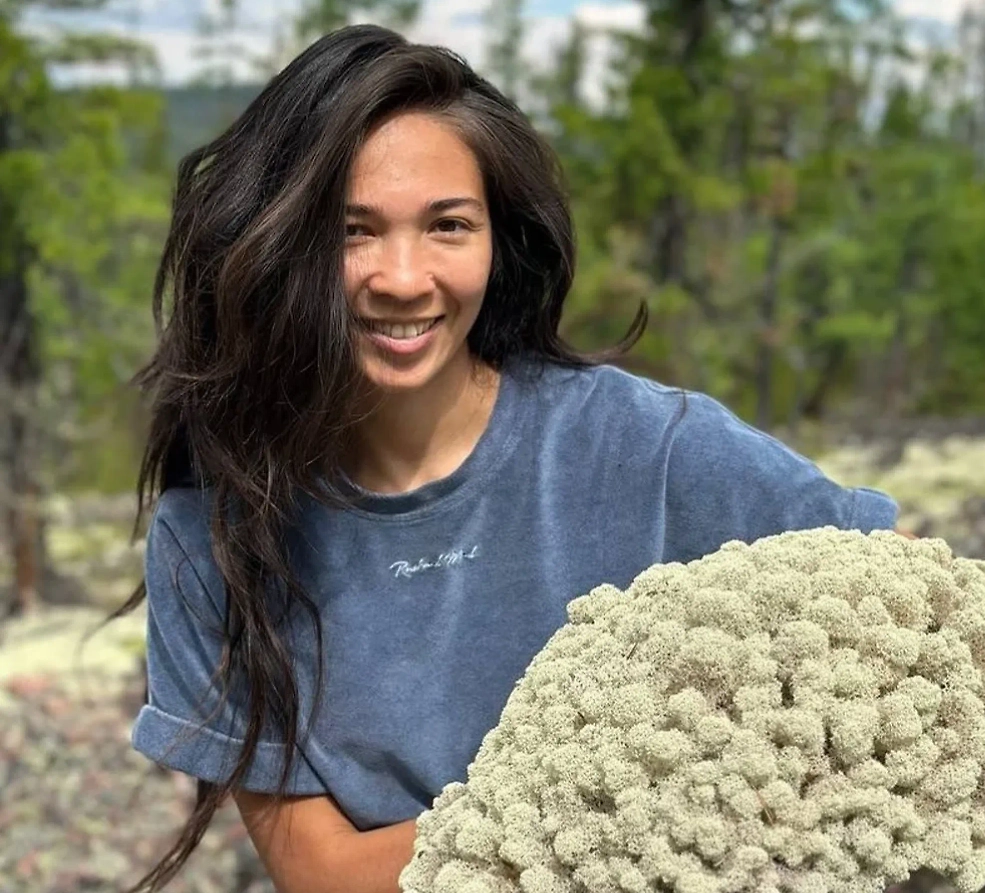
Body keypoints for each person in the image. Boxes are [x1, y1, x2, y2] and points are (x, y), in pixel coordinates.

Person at [113, 23, 901, 893]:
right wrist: (621, 799)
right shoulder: (213, 538)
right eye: (353, 231)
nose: (404, 277)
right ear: (281, 243)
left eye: (448, 224)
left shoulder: (648, 447)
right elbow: (326, 876)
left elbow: (901, 606)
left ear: (500, 239)